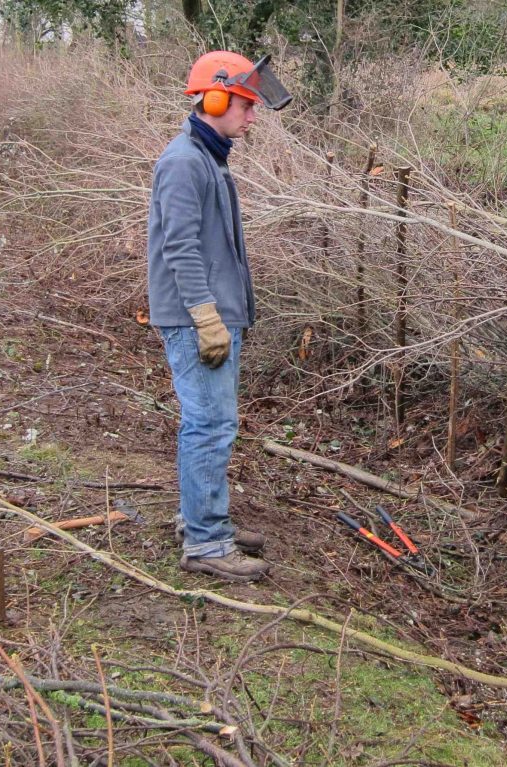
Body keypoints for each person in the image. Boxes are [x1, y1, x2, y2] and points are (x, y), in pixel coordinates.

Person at [147, 51, 291, 582]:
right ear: (214, 97)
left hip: (208, 313)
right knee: (210, 426)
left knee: (210, 424)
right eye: (245, 106)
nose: (251, 118)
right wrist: (206, 315)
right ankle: (207, 543)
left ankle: (200, 521)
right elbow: (181, 246)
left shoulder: (208, 157)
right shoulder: (185, 161)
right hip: (195, 318)